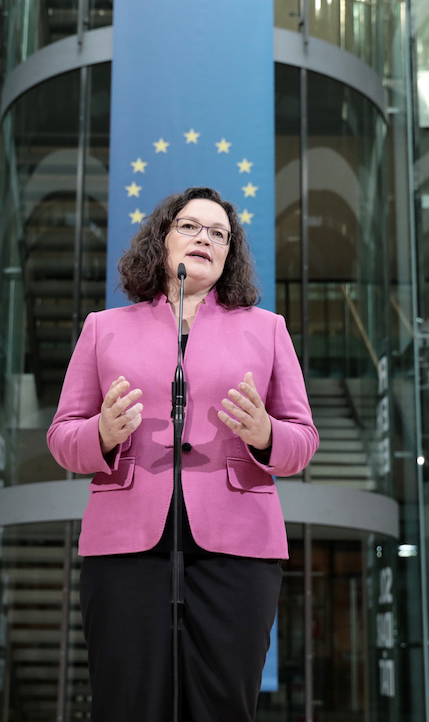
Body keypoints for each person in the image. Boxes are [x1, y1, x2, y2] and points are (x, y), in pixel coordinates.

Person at [47, 187, 318, 721]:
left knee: (223, 705)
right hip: (126, 544)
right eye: (191, 227)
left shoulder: (267, 329)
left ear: (230, 253)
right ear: (162, 239)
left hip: (238, 546)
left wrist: (266, 433)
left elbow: (302, 440)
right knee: (127, 703)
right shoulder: (104, 328)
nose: (205, 239)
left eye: (219, 234)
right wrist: (102, 432)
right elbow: (62, 437)